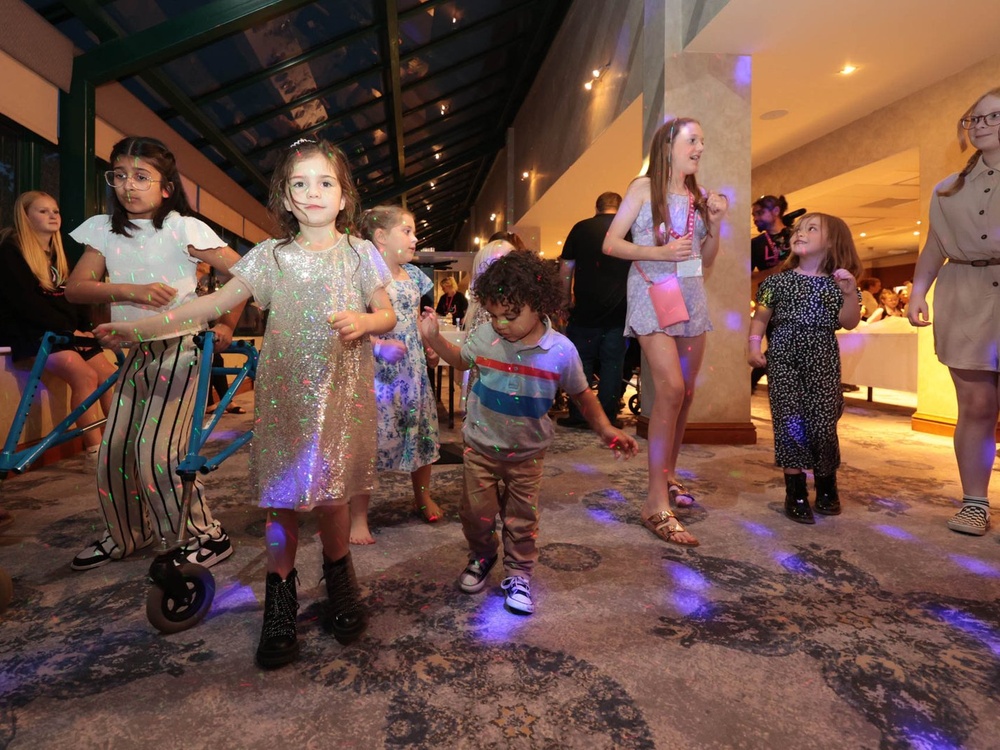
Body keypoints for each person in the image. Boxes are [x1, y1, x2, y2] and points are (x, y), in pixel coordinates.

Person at [95, 137, 396, 668]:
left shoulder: (360, 253)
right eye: (299, 183)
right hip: (285, 401)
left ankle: (338, 578)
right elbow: (209, 304)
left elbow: (386, 313)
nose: (313, 193)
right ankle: (279, 598)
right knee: (281, 503)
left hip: (340, 396)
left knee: (331, 498)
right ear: (285, 194)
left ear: (344, 196)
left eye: (325, 182)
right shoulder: (270, 257)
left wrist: (366, 322)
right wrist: (138, 329)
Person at [418, 250, 638, 615]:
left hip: (527, 455)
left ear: (538, 305)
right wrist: (434, 338)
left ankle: (519, 572)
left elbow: (582, 393)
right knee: (476, 513)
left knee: (522, 519)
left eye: (510, 315)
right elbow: (460, 360)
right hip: (481, 448)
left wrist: (603, 427)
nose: (500, 324)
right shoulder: (486, 336)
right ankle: (483, 556)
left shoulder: (560, 351)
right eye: (493, 315)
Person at [65, 136, 244, 572]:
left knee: (157, 454)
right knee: (114, 452)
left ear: (166, 187)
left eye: (142, 176)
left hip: (180, 351)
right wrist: (132, 291)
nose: (129, 185)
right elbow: (76, 287)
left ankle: (206, 536)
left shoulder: (183, 227)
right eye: (120, 174)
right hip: (133, 354)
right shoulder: (103, 229)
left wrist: (226, 323)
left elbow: (245, 274)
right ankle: (128, 535)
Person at [602, 117, 729, 547]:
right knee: (671, 389)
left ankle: (669, 474)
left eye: (702, 141)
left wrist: (716, 222)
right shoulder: (643, 188)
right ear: (669, 144)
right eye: (693, 139)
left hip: (690, 294)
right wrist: (656, 251)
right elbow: (611, 244)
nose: (699, 147)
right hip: (652, 290)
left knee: (687, 392)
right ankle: (655, 501)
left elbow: (707, 257)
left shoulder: (698, 195)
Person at [908, 86, 1000, 537]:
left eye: (992, 117)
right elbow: (934, 248)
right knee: (977, 405)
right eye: (974, 119)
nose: (981, 125)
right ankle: (975, 502)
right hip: (965, 294)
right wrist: (917, 292)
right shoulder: (947, 189)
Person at [747, 213, 862, 524]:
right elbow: (760, 318)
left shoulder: (838, 283)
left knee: (823, 424)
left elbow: (849, 322)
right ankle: (795, 491)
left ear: (832, 242)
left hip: (823, 359)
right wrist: (754, 344)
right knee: (789, 423)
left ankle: (826, 484)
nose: (799, 233)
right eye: (798, 229)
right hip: (783, 357)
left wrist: (850, 293)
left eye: (811, 229)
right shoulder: (776, 282)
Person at [0, 191, 118, 464]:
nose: (53, 215)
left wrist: (85, 328)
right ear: (25, 217)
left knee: (109, 373)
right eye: (43, 211)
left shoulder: (57, 252)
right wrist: (68, 330)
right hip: (29, 332)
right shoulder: (10, 251)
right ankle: (95, 450)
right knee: (84, 375)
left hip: (60, 331)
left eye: (55, 210)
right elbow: (25, 304)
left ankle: (118, 441)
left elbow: (74, 298)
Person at [349, 205, 441, 544]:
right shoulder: (363, 277)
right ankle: (358, 516)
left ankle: (422, 495)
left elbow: (414, 320)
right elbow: (351, 324)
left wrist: (429, 345)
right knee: (368, 442)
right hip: (377, 375)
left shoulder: (415, 277)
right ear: (381, 237)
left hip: (412, 372)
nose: (415, 239)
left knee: (420, 434)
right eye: (407, 230)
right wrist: (376, 346)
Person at [557, 192, 633, 428]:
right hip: (620, 309)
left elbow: (566, 266)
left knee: (582, 364)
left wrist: (565, 298)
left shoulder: (581, 228)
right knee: (612, 364)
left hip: (585, 309)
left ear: (596, 207)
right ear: (620, 208)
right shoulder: (629, 230)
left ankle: (581, 415)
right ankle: (608, 417)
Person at [195, 262, 246, 415]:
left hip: (202, 326)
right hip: (191, 327)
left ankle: (217, 401)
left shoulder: (202, 284)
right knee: (211, 359)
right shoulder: (191, 280)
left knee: (214, 358)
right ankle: (218, 401)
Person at [750, 194, 792, 295]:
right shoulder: (755, 243)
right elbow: (746, 279)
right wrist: (773, 271)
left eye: (760, 213)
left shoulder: (797, 235)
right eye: (753, 215)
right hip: (770, 300)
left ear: (776, 211)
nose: (755, 219)